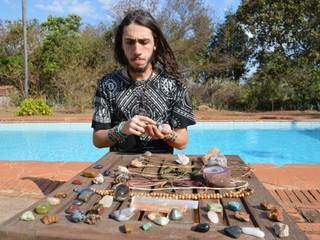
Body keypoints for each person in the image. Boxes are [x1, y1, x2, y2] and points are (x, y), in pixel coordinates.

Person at [91, 9, 196, 153]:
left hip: (161, 170)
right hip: (117, 169)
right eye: (129, 42)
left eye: (144, 42)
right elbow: (97, 139)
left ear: (155, 43)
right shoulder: (107, 84)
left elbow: (182, 142)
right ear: (122, 45)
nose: (137, 50)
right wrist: (121, 129)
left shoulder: (174, 85)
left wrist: (168, 134)